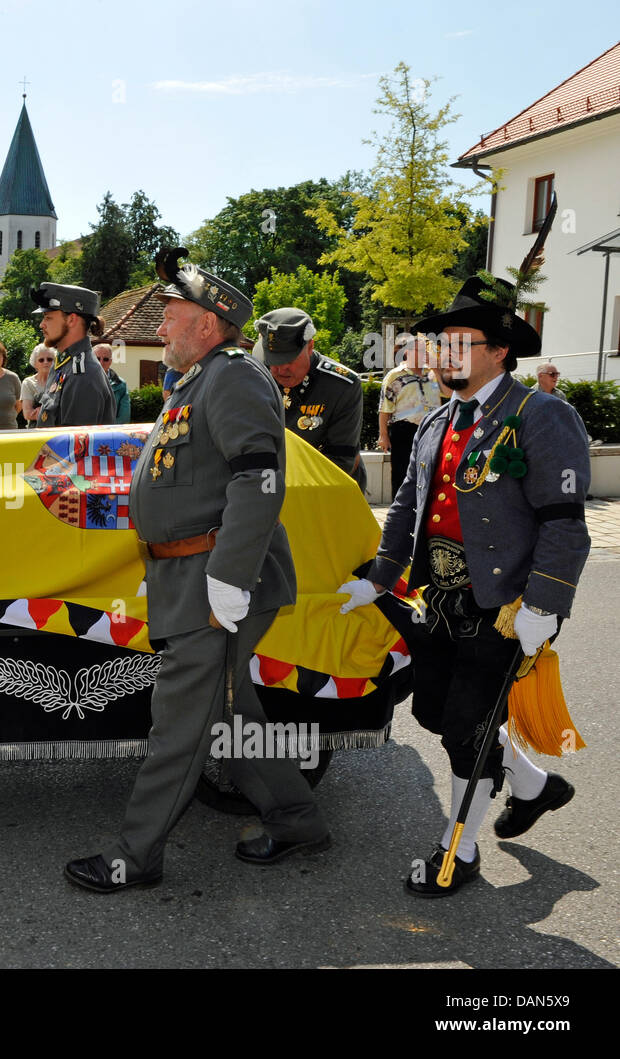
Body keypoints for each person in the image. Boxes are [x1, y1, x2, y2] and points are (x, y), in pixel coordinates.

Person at [64, 251, 329, 894]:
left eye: (175, 309)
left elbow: (260, 479)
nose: (163, 320)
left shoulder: (234, 376)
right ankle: (297, 821)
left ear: (209, 323)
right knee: (231, 716)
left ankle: (136, 854)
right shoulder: (194, 381)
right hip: (192, 578)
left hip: (220, 583)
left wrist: (231, 578)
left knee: (178, 726)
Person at [337, 274, 589, 897]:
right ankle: (533, 786)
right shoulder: (434, 422)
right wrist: (381, 577)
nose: (445, 355)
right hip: (438, 599)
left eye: (460, 343)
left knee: (466, 729)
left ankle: (460, 851)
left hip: (503, 606)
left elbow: (565, 523)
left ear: (500, 350)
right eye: (440, 344)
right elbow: (404, 507)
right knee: (434, 712)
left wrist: (545, 604)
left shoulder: (541, 415)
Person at [257, 308, 367, 493]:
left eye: (289, 360)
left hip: (328, 489)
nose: (280, 369)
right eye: (273, 360)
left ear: (310, 347)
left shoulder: (342, 385)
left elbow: (341, 459)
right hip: (269, 487)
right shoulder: (256, 376)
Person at [30, 282, 116, 427]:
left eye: (48, 317)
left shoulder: (83, 374)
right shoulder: (64, 364)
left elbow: (74, 445)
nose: (42, 324)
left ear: (72, 320)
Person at [378, 333, 443, 497]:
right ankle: (400, 517)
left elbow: (448, 393)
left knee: (431, 473)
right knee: (403, 475)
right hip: (404, 430)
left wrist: (436, 369)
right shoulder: (395, 375)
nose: (424, 353)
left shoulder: (433, 373)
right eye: (419, 349)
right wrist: (383, 435)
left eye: (425, 349)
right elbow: (385, 407)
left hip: (433, 430)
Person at [93, 343, 131, 424]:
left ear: (110, 361)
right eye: (97, 358)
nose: (101, 362)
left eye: (105, 359)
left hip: (111, 432)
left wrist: (107, 431)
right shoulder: (81, 382)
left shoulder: (121, 385)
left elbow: (124, 418)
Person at [21, 343, 55, 427]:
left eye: (49, 359)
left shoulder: (60, 380)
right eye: (41, 360)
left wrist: (40, 412)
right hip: (35, 432)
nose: (45, 362)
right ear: (35, 363)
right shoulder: (28, 383)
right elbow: (27, 414)